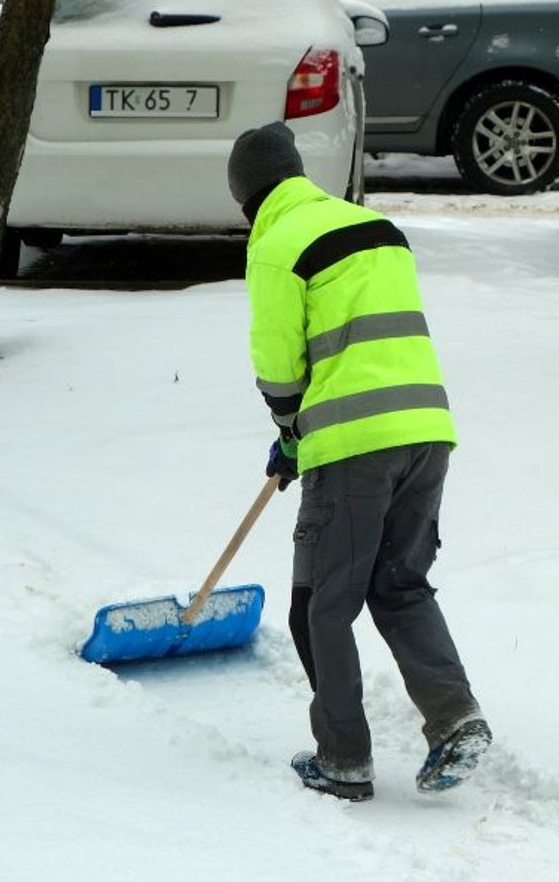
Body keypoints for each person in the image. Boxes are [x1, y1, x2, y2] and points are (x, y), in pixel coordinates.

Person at [226, 122, 491, 802]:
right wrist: (299, 436)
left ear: (247, 197)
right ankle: (457, 720)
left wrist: (290, 431)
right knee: (400, 586)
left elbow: (279, 361)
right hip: (427, 429)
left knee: (321, 603)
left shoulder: (275, 243)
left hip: (352, 445)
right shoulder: (375, 228)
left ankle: (343, 759)